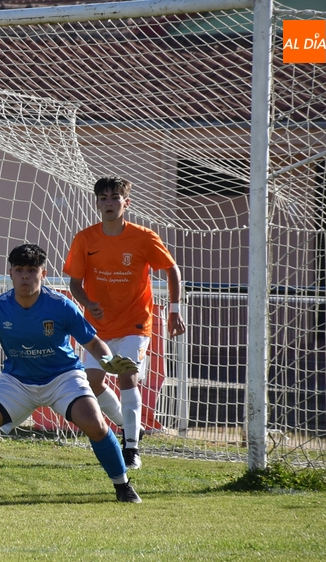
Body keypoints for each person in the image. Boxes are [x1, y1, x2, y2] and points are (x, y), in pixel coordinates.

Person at [0, 244, 142, 503]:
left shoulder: (61, 305)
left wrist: (107, 359)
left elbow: (93, 342)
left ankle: (123, 486)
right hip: (17, 380)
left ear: (44, 273)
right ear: (10, 273)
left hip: (63, 377)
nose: (25, 277)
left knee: (95, 425)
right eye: (19, 270)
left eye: (32, 270)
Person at [63, 176, 186, 470]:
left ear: (126, 203)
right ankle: (131, 426)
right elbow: (74, 283)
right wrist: (87, 302)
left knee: (127, 377)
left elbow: (172, 270)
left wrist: (174, 310)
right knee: (91, 383)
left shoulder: (143, 237)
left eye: (115, 197)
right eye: (103, 198)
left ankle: (131, 448)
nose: (109, 203)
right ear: (97, 204)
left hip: (135, 323)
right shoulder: (85, 238)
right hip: (98, 328)